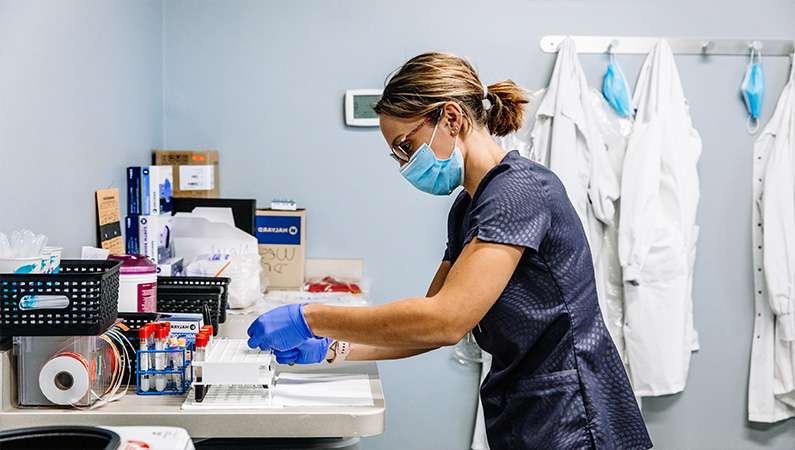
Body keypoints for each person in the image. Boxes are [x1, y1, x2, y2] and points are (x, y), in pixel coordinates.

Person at [247, 52, 653, 449]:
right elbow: (429, 322)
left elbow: (446, 320)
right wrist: (331, 349)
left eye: (406, 146)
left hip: (575, 415)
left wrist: (311, 318)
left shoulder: (520, 192)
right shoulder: (467, 206)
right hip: (527, 408)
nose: (404, 164)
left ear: (452, 118)